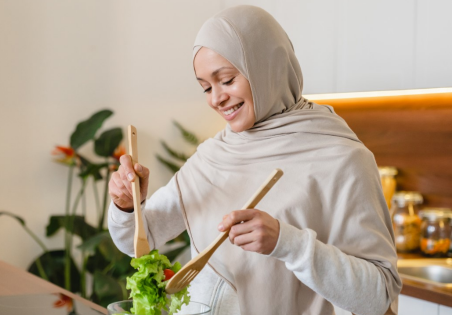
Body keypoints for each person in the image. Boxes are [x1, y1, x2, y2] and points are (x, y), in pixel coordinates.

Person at [108, 5, 401, 315]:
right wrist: (128, 205)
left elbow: (377, 297)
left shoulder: (341, 158)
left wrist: (288, 243)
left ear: (266, 67)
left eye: (227, 80)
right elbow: (138, 241)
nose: (216, 98)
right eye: (206, 87)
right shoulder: (213, 156)